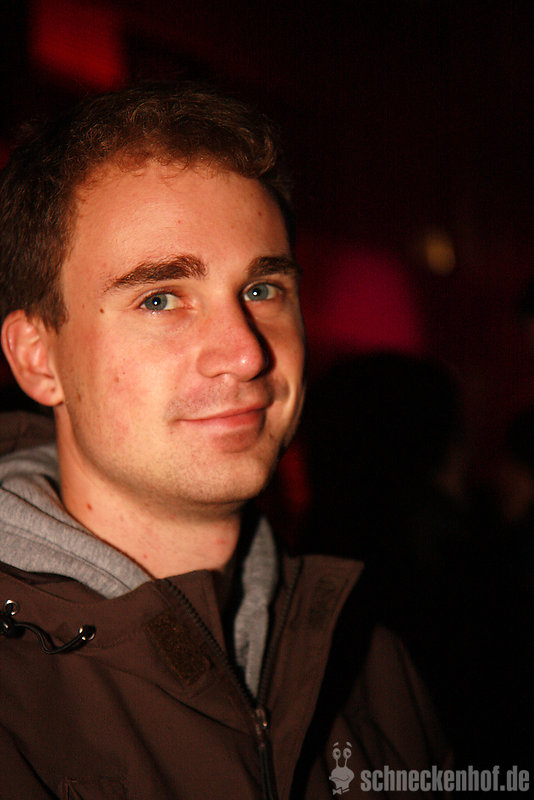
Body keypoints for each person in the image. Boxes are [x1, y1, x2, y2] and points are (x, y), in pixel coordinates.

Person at [0, 83, 449, 799]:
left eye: (263, 290)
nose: (245, 353)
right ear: (37, 359)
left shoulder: (372, 662)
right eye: (159, 299)